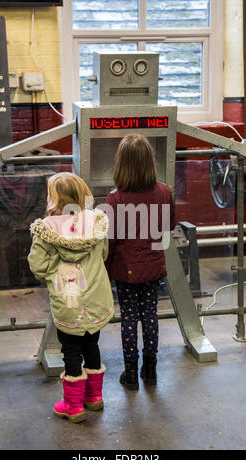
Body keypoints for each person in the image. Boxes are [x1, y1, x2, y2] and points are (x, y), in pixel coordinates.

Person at [28, 172, 114, 423]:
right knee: (92, 345)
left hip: (67, 304)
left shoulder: (45, 229)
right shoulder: (97, 223)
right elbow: (104, 254)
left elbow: (38, 266)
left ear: (53, 199)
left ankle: (73, 405)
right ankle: (95, 397)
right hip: (97, 301)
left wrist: (54, 276)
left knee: (71, 350)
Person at [105, 134, 175, 390]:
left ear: (121, 163)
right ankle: (151, 368)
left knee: (129, 318)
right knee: (150, 315)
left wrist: (104, 268)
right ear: (150, 162)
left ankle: (131, 372)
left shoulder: (115, 198)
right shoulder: (164, 191)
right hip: (154, 265)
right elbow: (169, 227)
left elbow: (111, 240)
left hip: (125, 269)